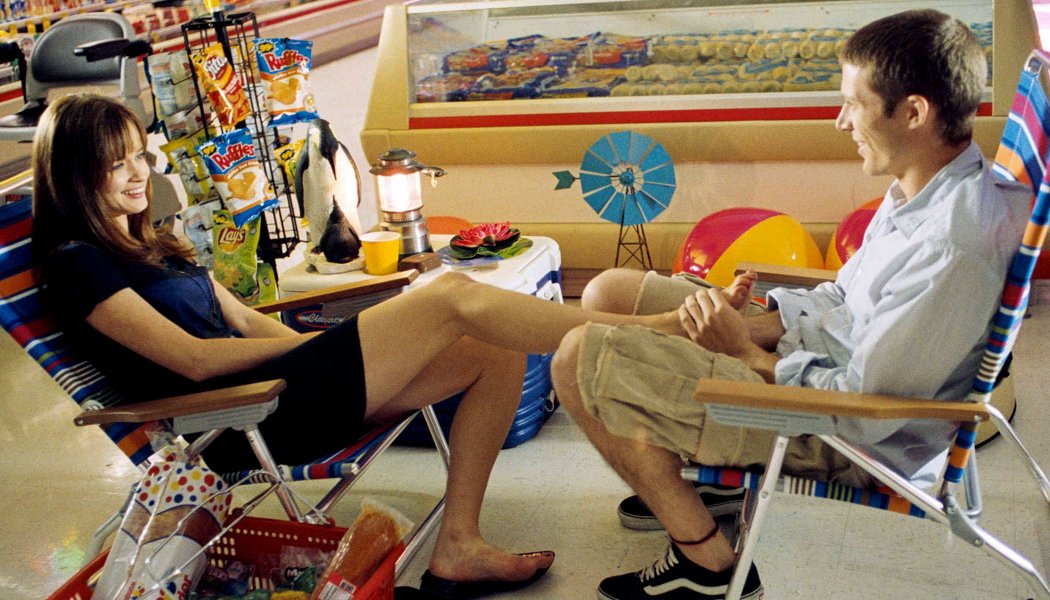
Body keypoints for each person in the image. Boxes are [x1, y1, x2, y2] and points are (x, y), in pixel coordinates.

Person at [30, 93, 759, 599]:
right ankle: (662, 330)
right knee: (446, 295)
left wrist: (322, 346)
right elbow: (190, 361)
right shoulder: (77, 263)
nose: (139, 174)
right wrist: (322, 350)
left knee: (492, 346)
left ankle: (458, 547)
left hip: (283, 384)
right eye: (116, 163)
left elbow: (247, 324)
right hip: (240, 415)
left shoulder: (155, 246)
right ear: (75, 172)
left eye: (139, 156)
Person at [550, 9, 1031, 600]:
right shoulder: (926, 185)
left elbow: (864, 409)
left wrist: (744, 353)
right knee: (611, 292)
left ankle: (706, 564)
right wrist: (756, 323)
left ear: (913, 112)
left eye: (853, 104)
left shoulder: (951, 248)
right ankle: (712, 486)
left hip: (836, 434)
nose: (840, 121)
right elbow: (844, 297)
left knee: (575, 358)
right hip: (820, 368)